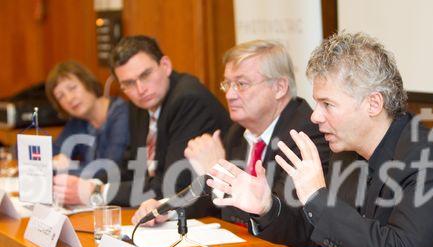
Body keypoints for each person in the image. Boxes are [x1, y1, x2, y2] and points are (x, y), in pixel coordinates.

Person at [206, 32, 433, 247]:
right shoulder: (347, 153)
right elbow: (314, 232)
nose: (315, 117)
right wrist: (267, 206)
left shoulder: (432, 159)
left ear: (373, 104)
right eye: (316, 103)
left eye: (327, 104)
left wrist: (317, 198)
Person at [132, 40, 330, 228]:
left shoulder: (305, 135)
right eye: (227, 84)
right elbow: (209, 198)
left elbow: (283, 221)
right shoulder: (238, 132)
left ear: (279, 88)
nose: (229, 95)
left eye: (241, 84)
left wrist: (218, 171)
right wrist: (167, 208)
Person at [53, 36, 231, 207]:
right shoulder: (140, 103)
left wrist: (97, 192)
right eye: (129, 83)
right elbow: (131, 167)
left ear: (165, 65)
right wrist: (94, 183)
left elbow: (172, 185)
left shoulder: (188, 100)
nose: (140, 89)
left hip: (210, 212)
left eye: (145, 75)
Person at [47, 61, 130, 203]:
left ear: (88, 82)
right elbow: (51, 154)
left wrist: (69, 167)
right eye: (61, 96)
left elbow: (108, 170)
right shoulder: (78, 122)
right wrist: (53, 161)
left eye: (72, 88)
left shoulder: (122, 113)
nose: (69, 98)